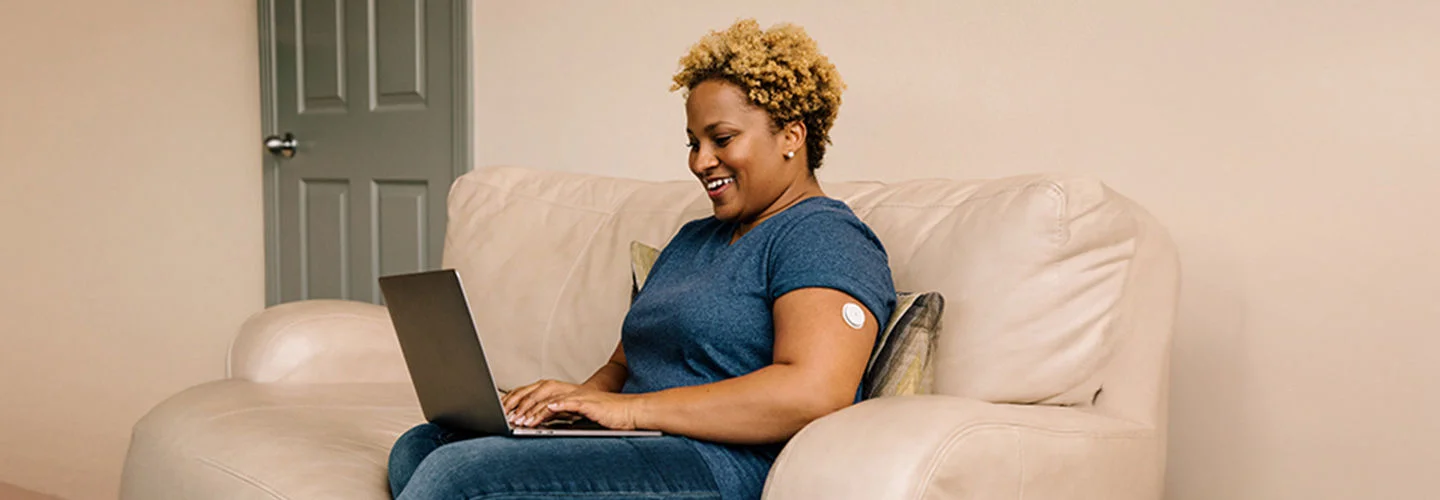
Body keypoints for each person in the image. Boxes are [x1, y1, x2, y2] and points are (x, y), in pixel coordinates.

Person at [387, 18, 895, 500]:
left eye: (721, 139)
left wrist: (628, 412)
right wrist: (569, 408)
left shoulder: (823, 234)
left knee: (458, 474)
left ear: (792, 135)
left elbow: (812, 391)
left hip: (714, 464)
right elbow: (621, 365)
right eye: (693, 143)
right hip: (637, 444)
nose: (700, 161)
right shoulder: (695, 239)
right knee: (426, 444)